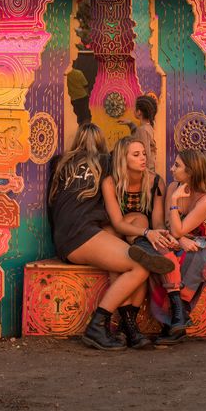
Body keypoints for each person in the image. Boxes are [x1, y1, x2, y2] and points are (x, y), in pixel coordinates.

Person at [48, 123, 170, 351]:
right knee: (140, 266)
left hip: (65, 236)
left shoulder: (59, 163)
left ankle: (129, 328)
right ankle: (97, 326)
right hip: (81, 234)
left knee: (124, 255)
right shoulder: (105, 163)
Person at [101, 136, 175, 348]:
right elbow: (116, 223)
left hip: (139, 234)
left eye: (143, 153)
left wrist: (160, 233)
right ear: (123, 160)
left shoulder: (154, 181)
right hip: (117, 231)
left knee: (141, 259)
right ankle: (130, 327)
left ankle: (128, 328)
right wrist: (147, 232)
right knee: (117, 262)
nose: (143, 158)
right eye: (136, 155)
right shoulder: (110, 182)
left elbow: (158, 220)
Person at [150, 148, 206, 346]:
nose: (171, 168)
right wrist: (181, 239)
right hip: (183, 239)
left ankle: (177, 317)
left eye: (177, 165)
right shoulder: (174, 186)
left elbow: (178, 229)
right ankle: (177, 319)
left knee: (191, 257)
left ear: (191, 172)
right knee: (160, 256)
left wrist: (175, 202)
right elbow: (170, 224)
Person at [120, 94, 158, 171]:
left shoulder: (142, 130)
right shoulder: (148, 127)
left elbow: (146, 153)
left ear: (139, 112)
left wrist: (147, 174)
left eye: (135, 108)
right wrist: (131, 124)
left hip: (146, 172)